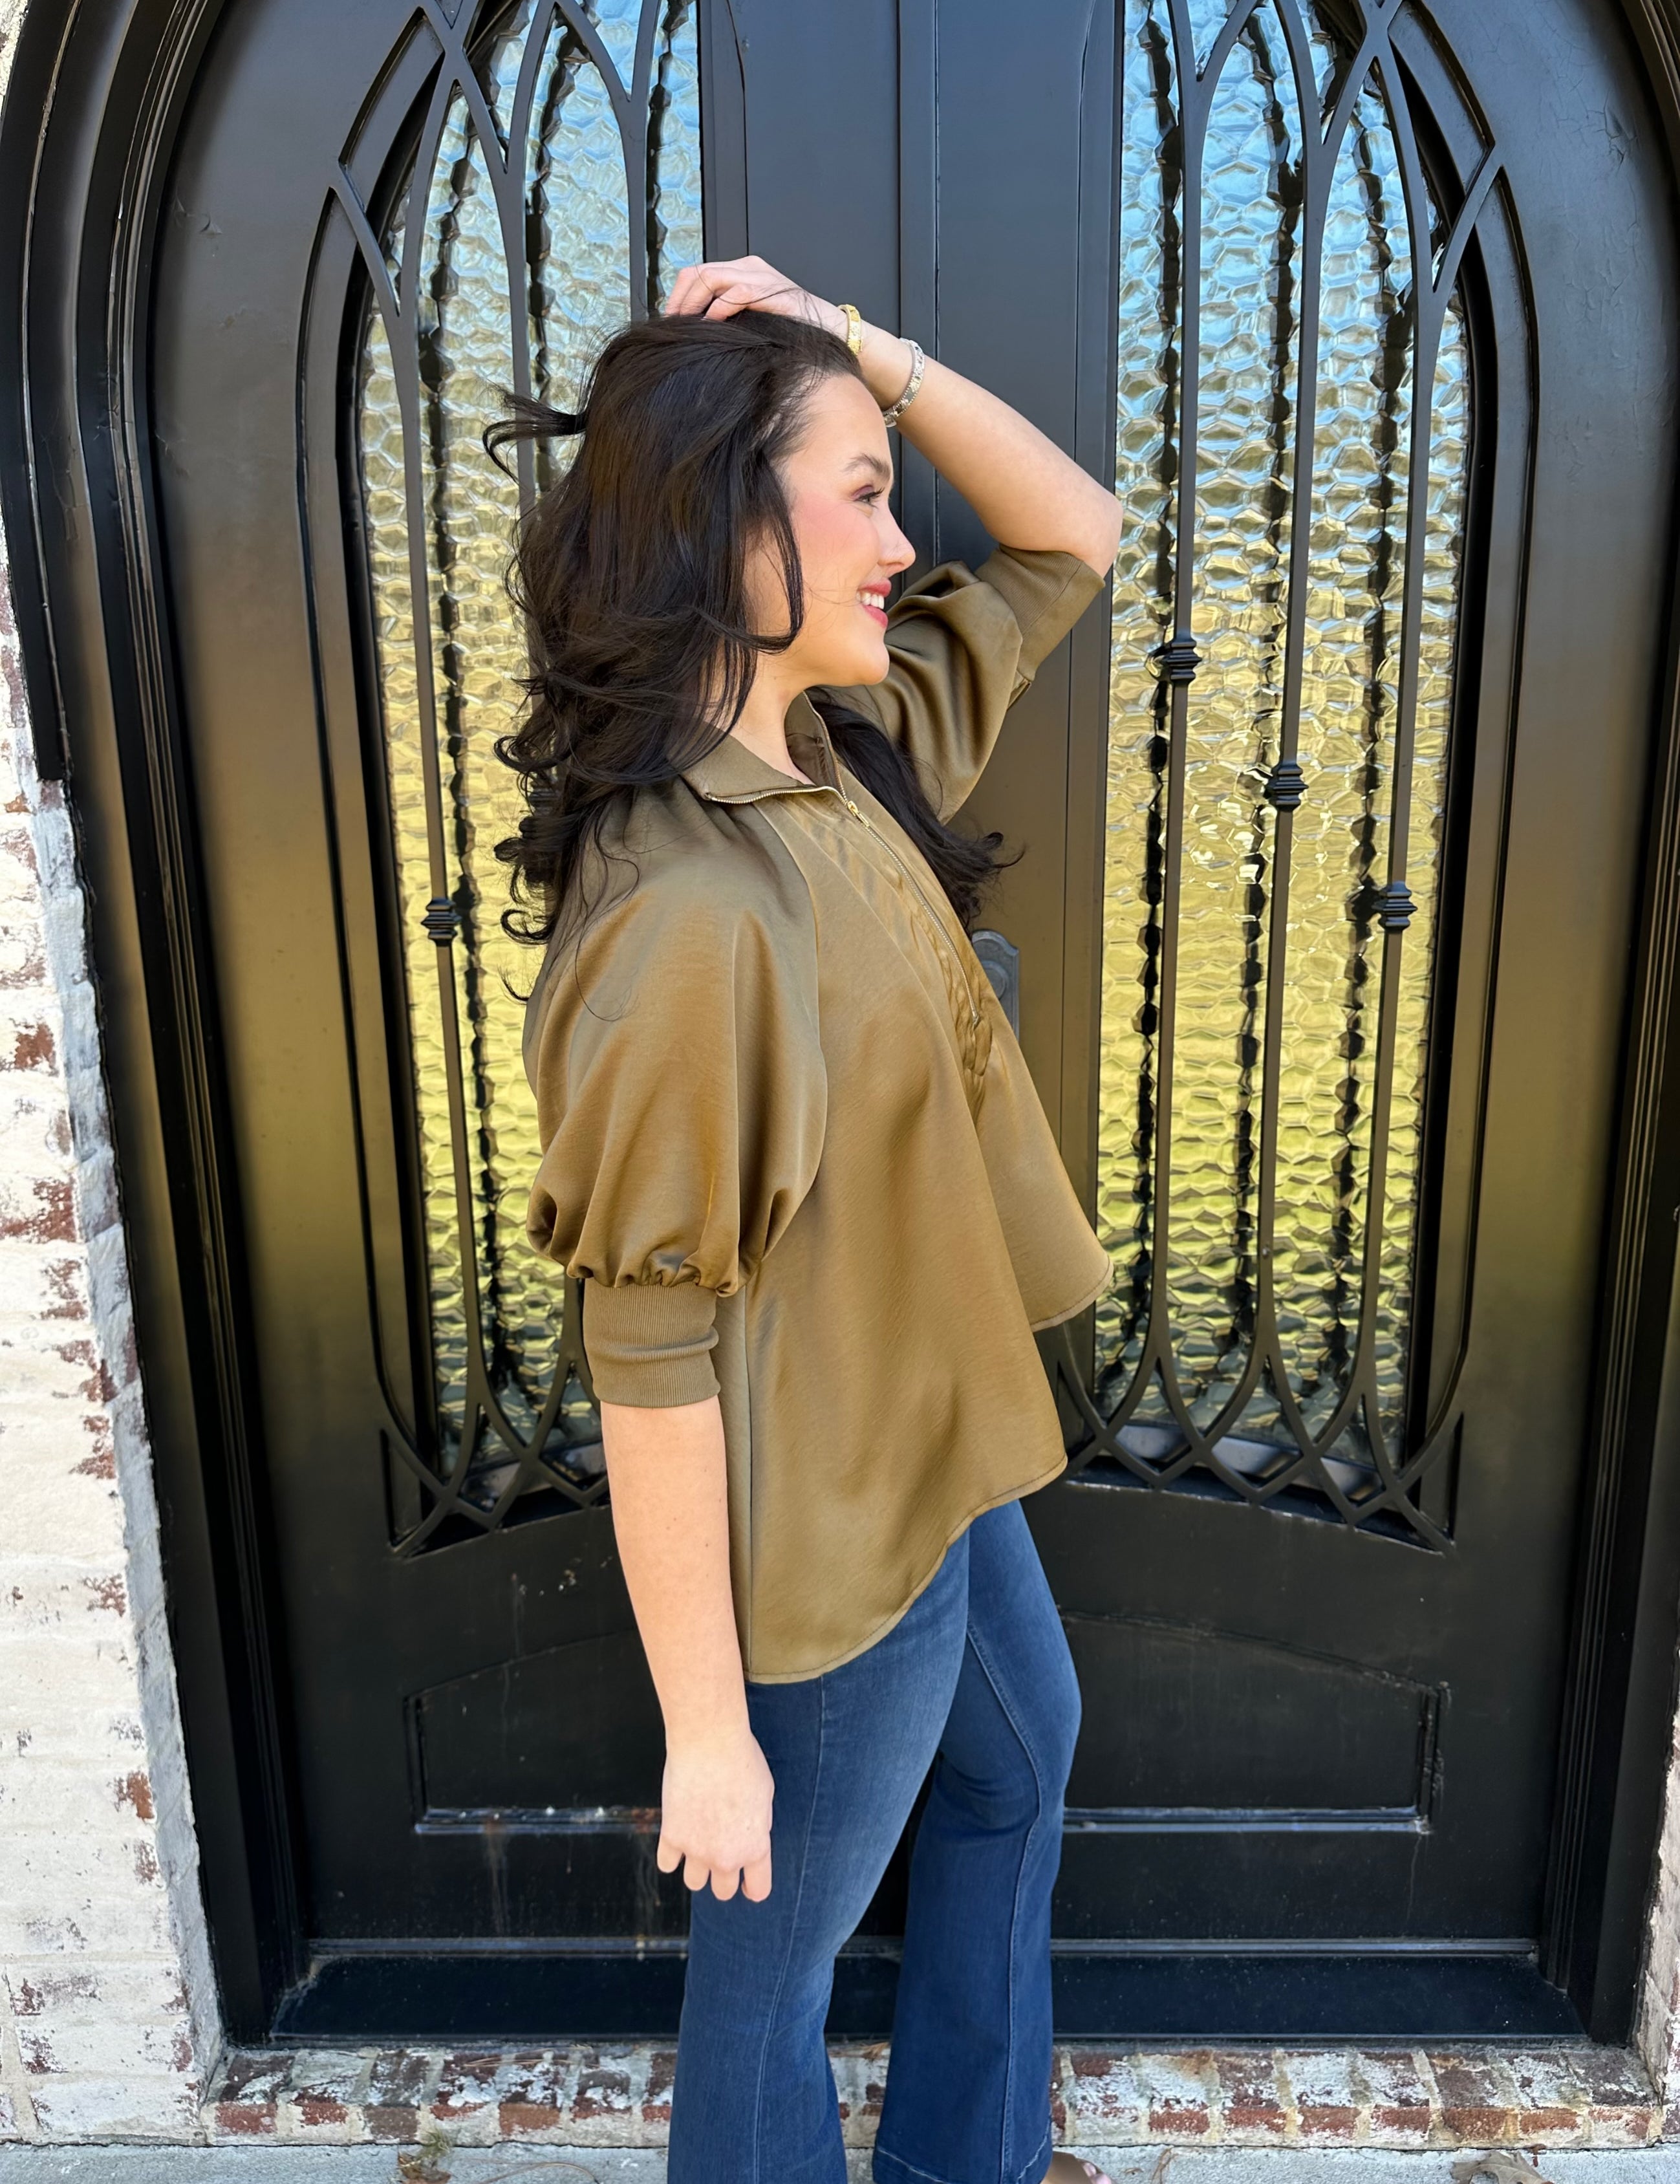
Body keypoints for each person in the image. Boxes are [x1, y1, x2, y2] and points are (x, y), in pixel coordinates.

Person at [500, 255, 1123, 2184]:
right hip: (825, 1553)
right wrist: (709, 1729)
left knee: (1019, 1771)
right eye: (859, 488)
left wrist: (866, 350)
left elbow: (1072, 536)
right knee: (766, 1994)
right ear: (720, 526)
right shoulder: (690, 920)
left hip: (940, 1451)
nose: (902, 534)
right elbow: (651, 1354)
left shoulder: (840, 753)